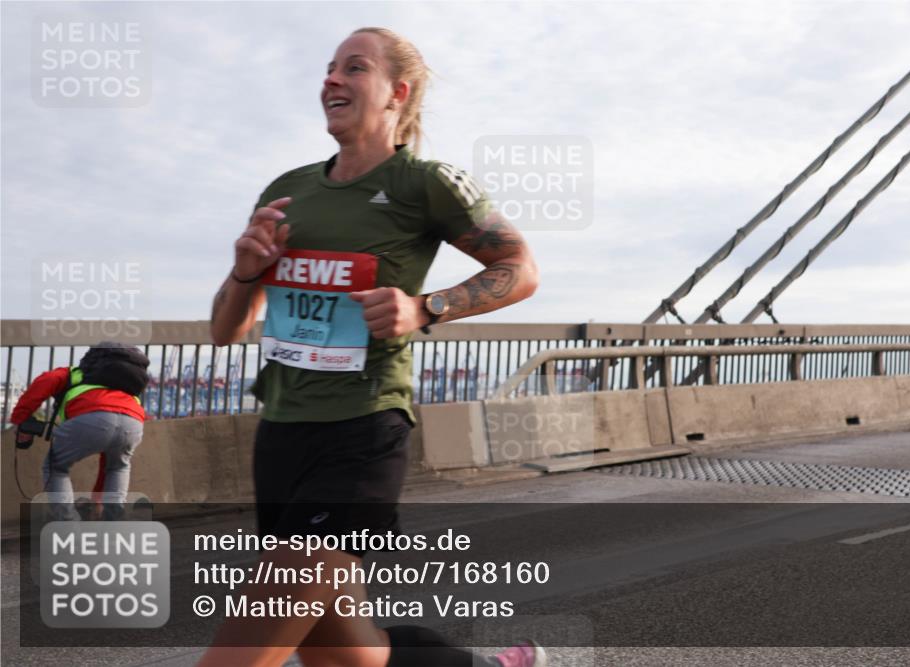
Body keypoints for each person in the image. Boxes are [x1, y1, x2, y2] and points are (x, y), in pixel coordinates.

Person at [200, 26, 542, 667]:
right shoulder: (289, 189)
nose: (331, 79)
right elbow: (225, 331)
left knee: (254, 636)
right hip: (282, 432)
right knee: (344, 655)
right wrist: (245, 269)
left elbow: (520, 268)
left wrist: (426, 306)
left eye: (353, 68)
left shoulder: (425, 182)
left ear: (396, 94)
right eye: (329, 68)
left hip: (361, 431)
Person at [10, 341, 148, 520]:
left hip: (92, 419)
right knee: (117, 467)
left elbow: (44, 383)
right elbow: (105, 467)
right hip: (134, 422)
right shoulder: (125, 390)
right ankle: (112, 521)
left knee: (56, 467)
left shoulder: (73, 373)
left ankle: (68, 524)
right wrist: (97, 501)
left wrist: (20, 420)